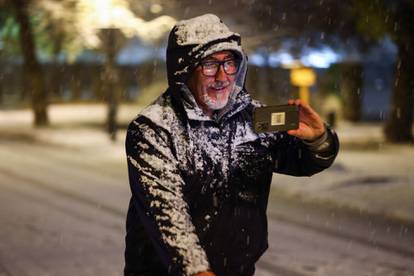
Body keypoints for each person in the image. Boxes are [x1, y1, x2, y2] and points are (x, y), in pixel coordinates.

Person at [124, 14, 339, 276]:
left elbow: (303, 161)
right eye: (209, 64)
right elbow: (166, 215)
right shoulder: (154, 129)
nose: (222, 75)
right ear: (184, 70)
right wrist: (197, 270)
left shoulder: (253, 119)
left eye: (229, 63)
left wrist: (318, 139)